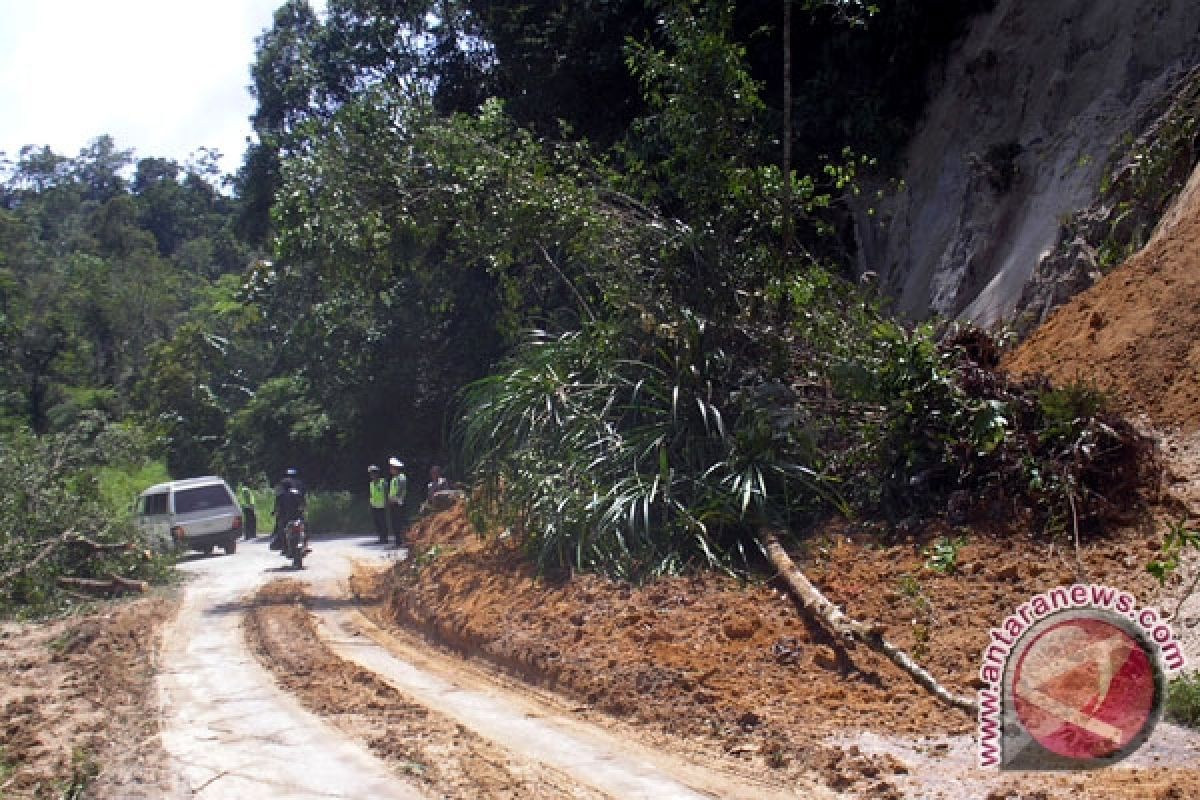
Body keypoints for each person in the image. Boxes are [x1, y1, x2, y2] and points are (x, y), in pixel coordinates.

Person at [387, 457, 407, 546]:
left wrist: (395, 499)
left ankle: (402, 541)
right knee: (395, 523)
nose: (390, 469)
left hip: (398, 503)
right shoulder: (394, 478)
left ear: (395, 468)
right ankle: (398, 542)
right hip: (393, 503)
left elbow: (401, 490)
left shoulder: (401, 477)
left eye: (391, 467)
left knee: (400, 523)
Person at [368, 465, 389, 543]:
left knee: (383, 522)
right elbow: (371, 495)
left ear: (377, 474)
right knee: (377, 523)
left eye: (373, 473)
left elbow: (386, 493)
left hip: (382, 506)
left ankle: (385, 538)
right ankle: (380, 538)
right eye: (371, 474)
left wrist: (387, 504)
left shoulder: (383, 482)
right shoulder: (371, 484)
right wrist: (370, 504)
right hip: (374, 506)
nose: (372, 475)